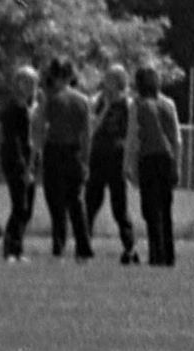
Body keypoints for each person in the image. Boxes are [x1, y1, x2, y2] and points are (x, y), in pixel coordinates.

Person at [38, 56, 94, 259]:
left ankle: (59, 246)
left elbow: (41, 126)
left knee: (56, 204)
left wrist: (38, 153)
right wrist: (86, 161)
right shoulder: (83, 101)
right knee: (76, 203)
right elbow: (87, 135)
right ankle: (84, 247)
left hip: (54, 151)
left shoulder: (50, 99)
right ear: (71, 76)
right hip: (74, 152)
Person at [130, 59, 182, 267]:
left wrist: (130, 166)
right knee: (165, 209)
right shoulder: (168, 104)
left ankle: (156, 255)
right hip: (167, 159)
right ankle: (168, 256)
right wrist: (177, 166)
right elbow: (177, 139)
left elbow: (133, 138)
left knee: (150, 210)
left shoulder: (137, 105)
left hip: (148, 159)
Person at [85, 61, 137, 264]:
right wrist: (105, 107)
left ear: (120, 82)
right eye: (107, 78)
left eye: (112, 79)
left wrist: (129, 163)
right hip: (98, 157)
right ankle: (84, 245)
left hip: (117, 159)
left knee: (119, 207)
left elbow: (132, 134)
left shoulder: (128, 105)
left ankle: (129, 248)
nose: (107, 82)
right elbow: (91, 129)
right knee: (91, 203)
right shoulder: (97, 101)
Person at [0, 63, 38, 261]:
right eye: (26, 82)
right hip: (15, 161)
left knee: (27, 209)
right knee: (20, 206)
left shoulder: (27, 108)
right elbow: (13, 140)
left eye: (33, 82)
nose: (30, 86)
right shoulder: (13, 109)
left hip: (28, 162)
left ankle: (18, 249)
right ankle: (9, 249)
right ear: (17, 83)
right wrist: (23, 166)